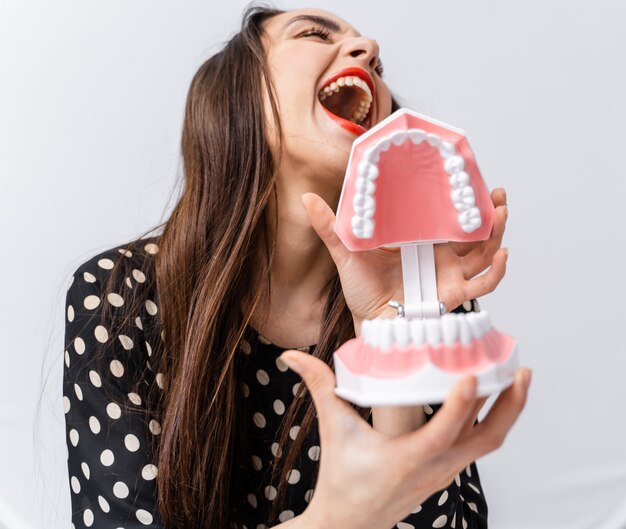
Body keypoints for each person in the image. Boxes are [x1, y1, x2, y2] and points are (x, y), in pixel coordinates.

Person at [62, 5, 531, 529]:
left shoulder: (425, 298)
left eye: (378, 68)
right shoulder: (116, 297)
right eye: (312, 33)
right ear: (237, 94)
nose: (369, 51)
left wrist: (391, 338)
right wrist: (340, 518)